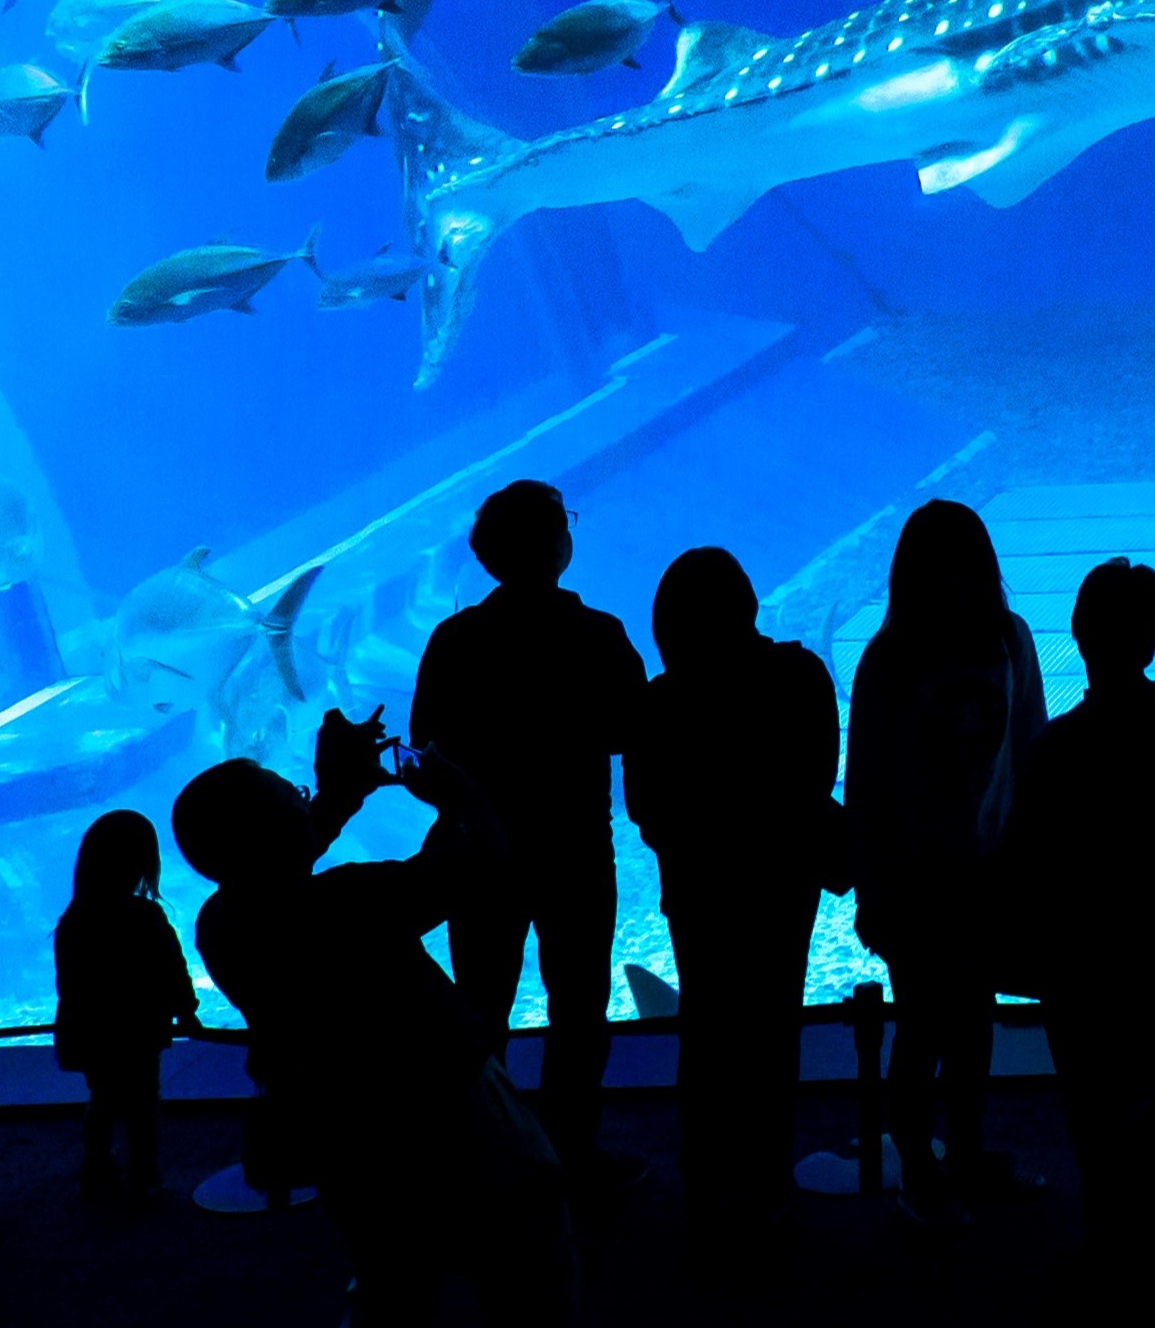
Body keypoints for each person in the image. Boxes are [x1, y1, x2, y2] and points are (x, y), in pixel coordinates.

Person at [182, 712, 631, 1328]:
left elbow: (280, 861)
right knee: (533, 1300)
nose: (298, 796)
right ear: (276, 830)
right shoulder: (353, 902)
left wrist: (342, 789)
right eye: (287, 794)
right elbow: (478, 860)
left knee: (383, 1326)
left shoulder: (225, 924)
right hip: (457, 1115)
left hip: (353, 1143)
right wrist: (455, 790)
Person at [408, 477, 647, 1185]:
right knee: (579, 1007)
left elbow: (427, 747)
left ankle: (489, 1160)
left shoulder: (454, 640)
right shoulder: (596, 634)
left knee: (481, 1010)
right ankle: (574, 1151)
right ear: (558, 547)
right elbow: (632, 726)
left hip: (480, 855)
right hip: (574, 850)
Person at [631, 543, 843, 1245]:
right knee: (771, 1026)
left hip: (699, 892)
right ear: (748, 607)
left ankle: (705, 1184)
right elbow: (816, 781)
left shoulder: (660, 702)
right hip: (781, 889)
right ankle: (763, 1179)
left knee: (709, 1033)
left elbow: (645, 810)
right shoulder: (801, 677)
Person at [846, 499, 1043, 1212]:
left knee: (972, 1023)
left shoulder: (1008, 640)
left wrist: (1031, 864)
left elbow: (1031, 749)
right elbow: (864, 780)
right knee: (924, 1026)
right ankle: (922, 1170)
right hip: (914, 880)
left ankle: (961, 1152)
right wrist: (874, 887)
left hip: (988, 871)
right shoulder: (888, 658)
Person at [1013, 557, 1155, 1254]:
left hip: (1076, 959)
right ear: (1152, 642)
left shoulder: (1055, 749)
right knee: (1149, 1074)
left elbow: (1029, 861)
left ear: (1078, 637)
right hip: (1150, 940)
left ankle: (1109, 1238)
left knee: (1090, 1105)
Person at [55, 806, 201, 1210]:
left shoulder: (73, 920)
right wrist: (186, 1009)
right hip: (138, 1032)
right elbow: (173, 968)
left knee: (102, 1098)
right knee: (142, 1103)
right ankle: (144, 1176)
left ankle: (96, 1169)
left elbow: (69, 986)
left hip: (88, 1034)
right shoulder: (145, 917)